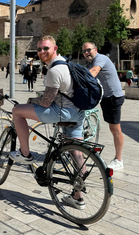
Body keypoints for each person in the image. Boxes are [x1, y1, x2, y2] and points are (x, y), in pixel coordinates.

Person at [9, 35, 85, 209]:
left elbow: (45, 102)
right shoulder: (67, 65)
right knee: (76, 152)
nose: (42, 52)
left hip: (62, 113)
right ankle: (78, 197)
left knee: (17, 111)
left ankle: (25, 154)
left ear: (55, 49)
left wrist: (31, 101)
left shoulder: (54, 71)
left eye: (45, 48)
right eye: (39, 49)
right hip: (78, 113)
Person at [83, 42, 125, 170]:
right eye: (84, 51)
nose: (86, 53)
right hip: (104, 97)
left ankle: (119, 160)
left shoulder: (100, 58)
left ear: (95, 49)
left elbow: (94, 72)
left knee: (115, 128)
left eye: (89, 50)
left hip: (113, 97)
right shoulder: (90, 63)